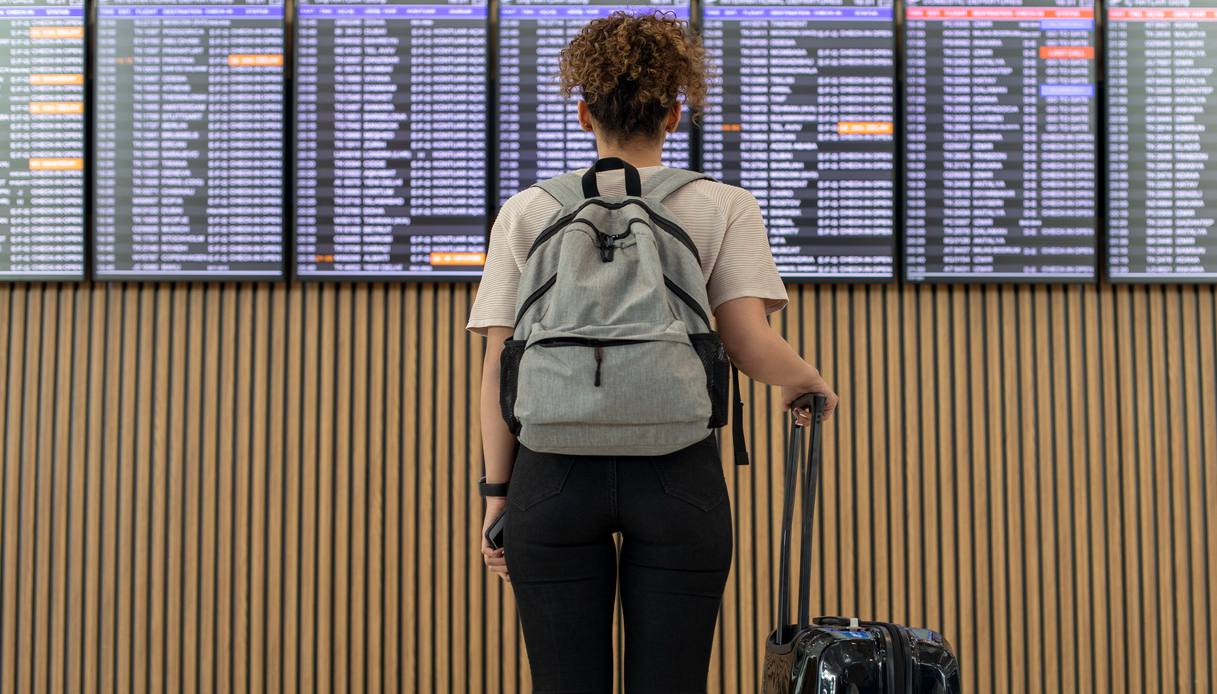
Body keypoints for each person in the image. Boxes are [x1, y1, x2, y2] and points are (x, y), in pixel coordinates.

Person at [466, 10, 839, 692]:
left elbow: (499, 367)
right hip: (678, 475)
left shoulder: (527, 210)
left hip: (552, 475)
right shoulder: (722, 205)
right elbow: (747, 343)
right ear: (673, 114)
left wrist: (498, 497)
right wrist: (804, 379)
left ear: (584, 113)